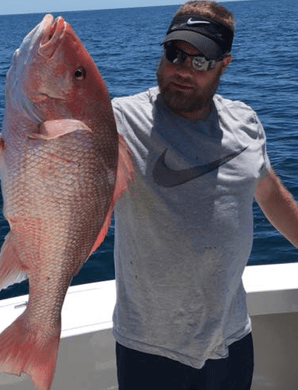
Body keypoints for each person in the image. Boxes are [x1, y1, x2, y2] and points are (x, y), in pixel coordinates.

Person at [111, 1, 298, 389]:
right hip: (151, 348)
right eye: (175, 54)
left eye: (200, 61)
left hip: (232, 336)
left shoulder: (244, 122)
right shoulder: (120, 121)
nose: (182, 69)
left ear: (224, 64)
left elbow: (272, 195)